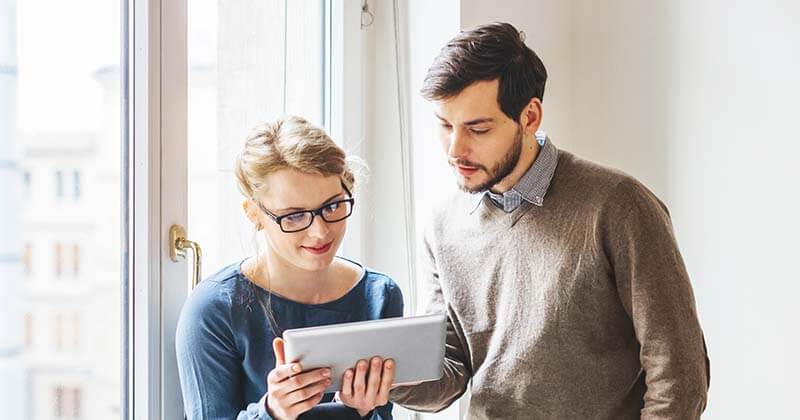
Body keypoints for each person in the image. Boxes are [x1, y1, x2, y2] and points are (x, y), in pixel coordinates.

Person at [390, 22, 710, 419]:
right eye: (445, 125)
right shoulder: (442, 225)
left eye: (478, 128)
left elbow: (679, 373)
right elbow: (449, 373)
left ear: (530, 116)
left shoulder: (619, 206)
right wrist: (385, 380)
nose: (456, 148)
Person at [176, 116, 403, 419]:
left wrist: (361, 411)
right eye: (294, 216)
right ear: (254, 214)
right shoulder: (215, 309)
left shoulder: (380, 296)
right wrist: (271, 412)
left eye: (332, 206)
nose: (320, 232)